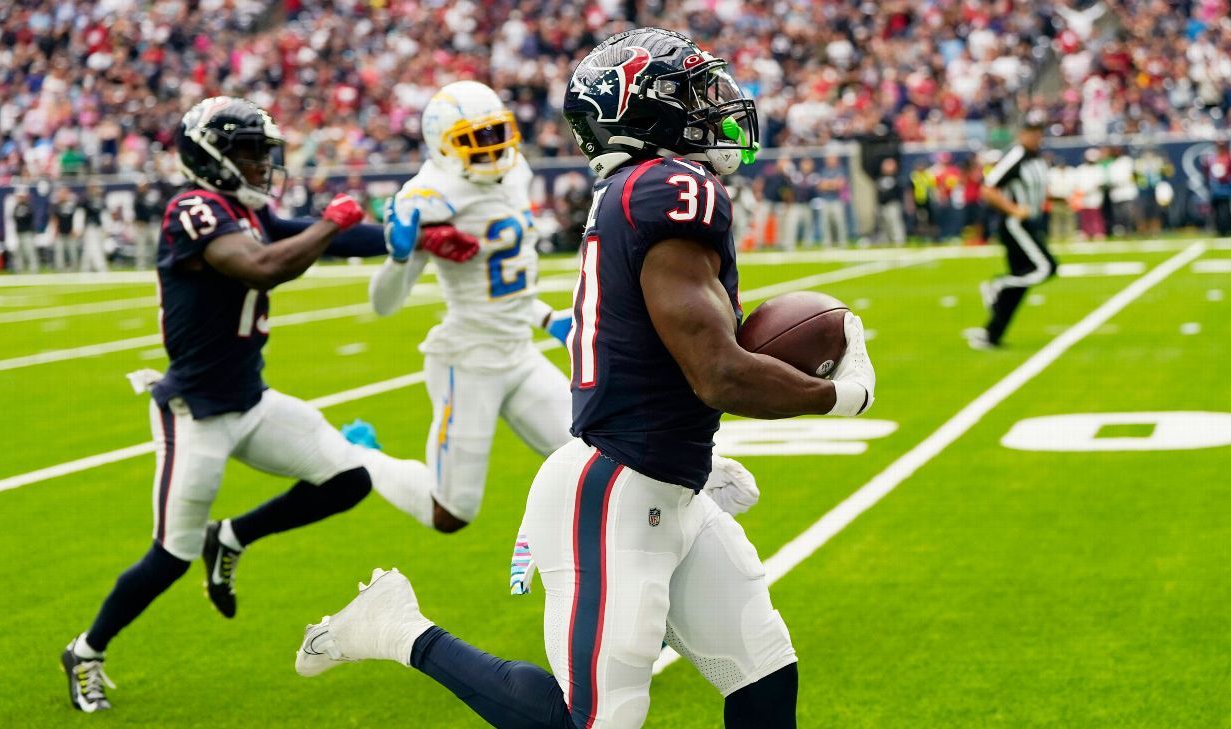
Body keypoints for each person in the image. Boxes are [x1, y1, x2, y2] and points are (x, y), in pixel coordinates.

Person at [294, 29, 877, 729]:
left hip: (664, 479)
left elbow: (665, 358)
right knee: (588, 721)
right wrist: (839, 395)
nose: (715, 103)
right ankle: (400, 629)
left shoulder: (645, 190)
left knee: (763, 675)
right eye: (690, 92)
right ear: (643, 112)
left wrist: (698, 454)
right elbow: (718, 372)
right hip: (616, 492)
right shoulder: (670, 188)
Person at [59, 96, 475, 713]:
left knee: (348, 478)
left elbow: (318, 242)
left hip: (249, 402)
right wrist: (332, 221)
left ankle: (230, 538)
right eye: (249, 152)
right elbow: (260, 267)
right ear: (212, 156)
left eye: (261, 152)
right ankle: (86, 651)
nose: (261, 164)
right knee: (171, 554)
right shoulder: (192, 210)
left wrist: (410, 238)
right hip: (195, 412)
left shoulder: (240, 210)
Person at [360, 80, 572, 534]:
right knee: (451, 513)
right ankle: (363, 456)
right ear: (443, 147)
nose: (493, 149)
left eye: (496, 133)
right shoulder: (429, 197)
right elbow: (383, 304)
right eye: (475, 140)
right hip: (469, 359)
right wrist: (400, 256)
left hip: (518, 351)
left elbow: (501, 279)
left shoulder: (516, 172)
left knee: (597, 456)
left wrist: (545, 317)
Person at [966, 114, 1056, 350]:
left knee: (1022, 280)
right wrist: (1014, 209)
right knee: (1045, 267)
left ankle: (991, 334)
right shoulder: (1016, 156)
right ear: (1021, 133)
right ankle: (998, 285)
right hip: (1016, 226)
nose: (1036, 136)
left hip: (1030, 223)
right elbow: (988, 189)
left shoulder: (1036, 158)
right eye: (1031, 131)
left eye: (1039, 131)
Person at [816, 152, 849, 246]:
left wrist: (828, 184)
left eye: (832, 159)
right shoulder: (823, 171)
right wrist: (832, 183)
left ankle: (842, 242)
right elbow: (821, 185)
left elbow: (840, 184)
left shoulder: (841, 170)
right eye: (828, 159)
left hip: (837, 200)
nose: (830, 161)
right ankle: (827, 243)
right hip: (825, 200)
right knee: (825, 223)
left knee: (839, 222)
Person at [132, 178, 166, 269]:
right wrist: (138, 223)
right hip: (143, 224)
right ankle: (141, 266)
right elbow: (136, 212)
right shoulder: (137, 197)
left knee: (158, 245)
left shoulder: (152, 195)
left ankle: (161, 264)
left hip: (154, 224)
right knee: (141, 248)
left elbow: (159, 208)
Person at [79, 182, 110, 272]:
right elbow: (80, 214)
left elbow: (104, 215)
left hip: (99, 227)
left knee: (89, 249)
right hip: (90, 227)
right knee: (94, 247)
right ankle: (101, 267)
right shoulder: (85, 200)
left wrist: (107, 227)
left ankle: (85, 268)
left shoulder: (101, 200)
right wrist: (79, 227)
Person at [875, 157, 906, 245]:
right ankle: (886, 242)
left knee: (895, 224)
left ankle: (899, 241)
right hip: (882, 205)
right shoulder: (880, 177)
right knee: (884, 226)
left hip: (892, 205)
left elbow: (898, 193)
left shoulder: (897, 178)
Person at [49, 187, 80, 271]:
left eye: (65, 193)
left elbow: (77, 217)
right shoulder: (56, 205)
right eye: (61, 193)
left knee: (72, 251)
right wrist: (55, 231)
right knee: (59, 252)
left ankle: (74, 268)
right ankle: (60, 269)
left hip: (70, 232)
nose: (63, 195)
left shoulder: (72, 205)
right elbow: (54, 219)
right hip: (60, 232)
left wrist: (75, 229)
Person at [11, 189, 40, 273]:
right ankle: (19, 269)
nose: (20, 198)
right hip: (19, 232)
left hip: (27, 232)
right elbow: (15, 219)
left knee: (30, 251)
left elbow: (31, 219)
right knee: (19, 252)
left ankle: (34, 268)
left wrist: (33, 231)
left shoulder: (28, 207)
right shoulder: (16, 207)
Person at [1207, 139, 1231, 236]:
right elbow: (1207, 171)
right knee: (1216, 209)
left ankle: (1227, 228)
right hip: (1216, 187)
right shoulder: (1212, 158)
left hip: (1225, 186)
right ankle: (1217, 228)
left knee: (1226, 209)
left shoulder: (1228, 158)